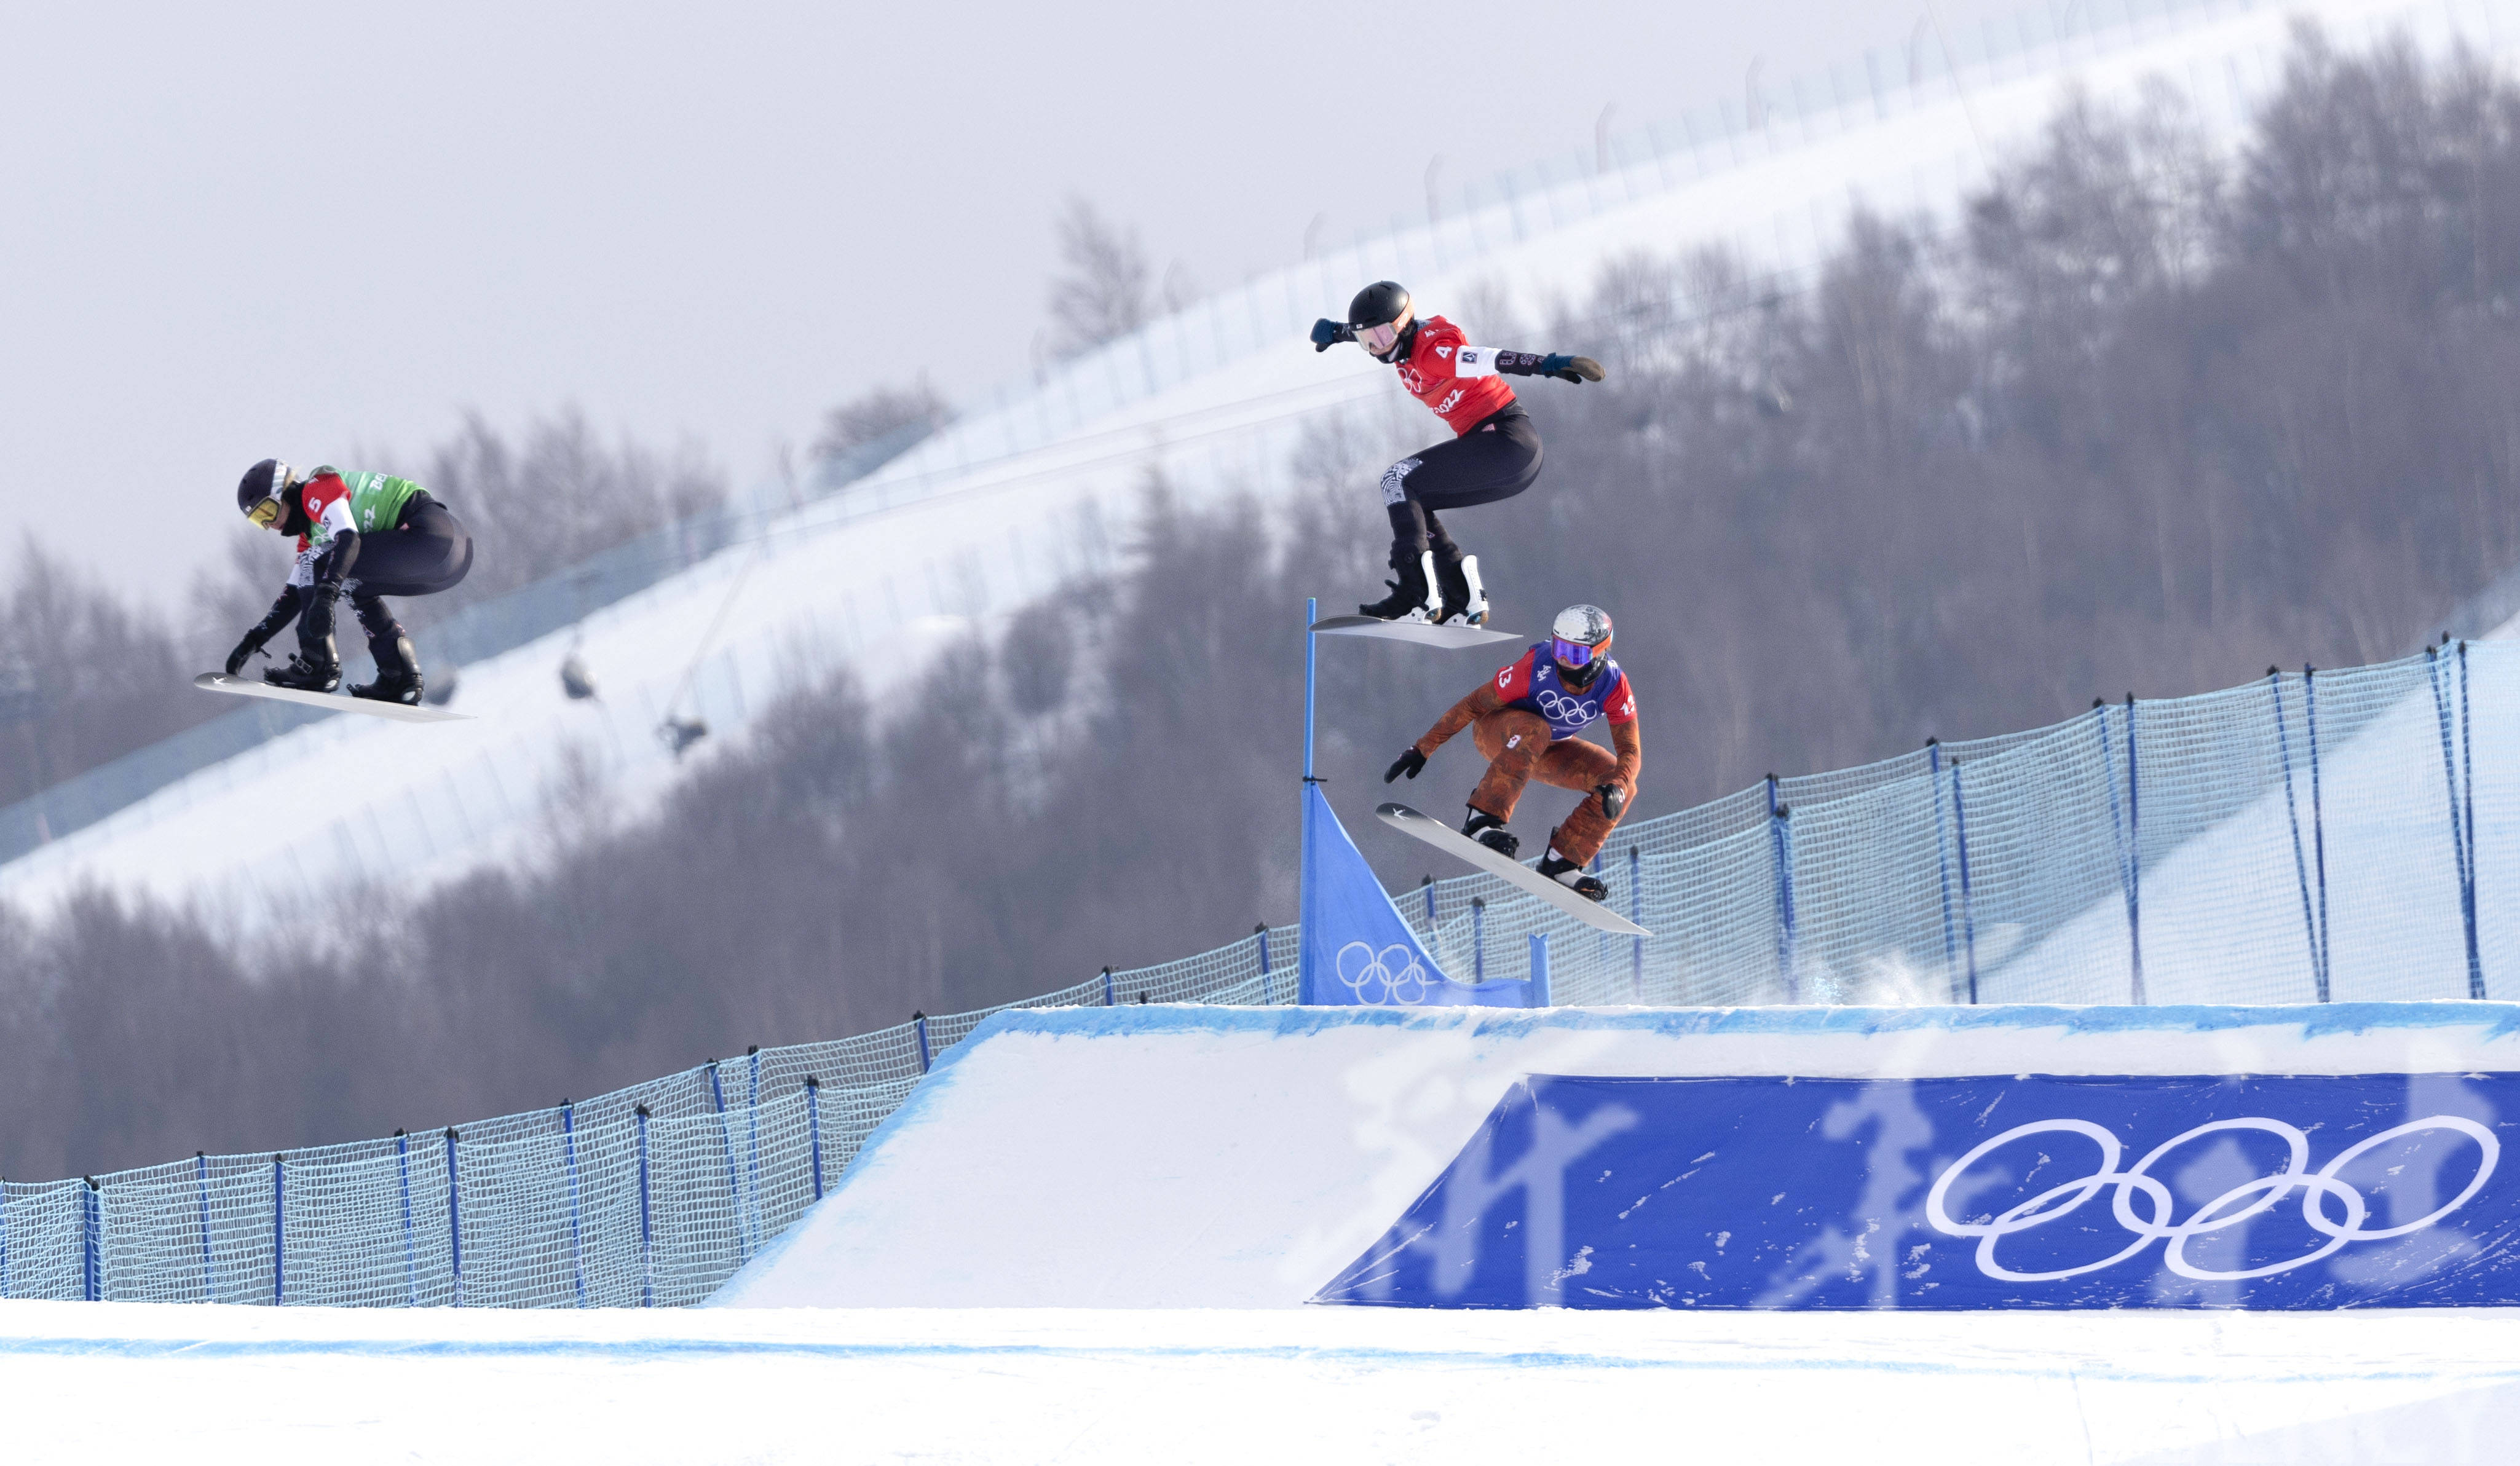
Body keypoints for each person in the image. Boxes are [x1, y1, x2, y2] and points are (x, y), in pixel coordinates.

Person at [1311, 281, 1604, 623]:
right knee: (1414, 498)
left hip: (1506, 442)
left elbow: (1491, 359)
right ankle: (1462, 597)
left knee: (1397, 480)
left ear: (1405, 325)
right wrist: (1336, 332)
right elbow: (1369, 330)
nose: (1379, 349)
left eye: (1384, 338)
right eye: (1369, 343)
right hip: (1498, 446)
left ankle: (1416, 594)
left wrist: (1551, 364)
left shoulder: (1435, 353)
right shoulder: (1397, 343)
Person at [1383, 604, 1637, 902]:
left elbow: (1630, 749)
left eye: (1576, 654)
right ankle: (1482, 819)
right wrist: (1422, 748)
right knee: (1536, 730)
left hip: (1548, 749)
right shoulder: (1536, 667)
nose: (1565, 662)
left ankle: (1563, 862)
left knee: (1622, 784)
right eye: (1560, 649)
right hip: (1498, 733)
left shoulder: (1614, 685)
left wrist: (1617, 788)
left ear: (1599, 652)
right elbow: (1473, 705)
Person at [225, 459, 475, 703]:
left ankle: (318, 665)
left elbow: (349, 539)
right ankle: (398, 676)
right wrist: (253, 640)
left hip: (431, 536)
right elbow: (293, 594)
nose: (269, 524)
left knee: (329, 564)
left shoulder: (317, 486)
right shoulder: (311, 536)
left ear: (286, 490)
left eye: (268, 511)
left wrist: (327, 593)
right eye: (259, 521)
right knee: (349, 581)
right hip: (451, 561)